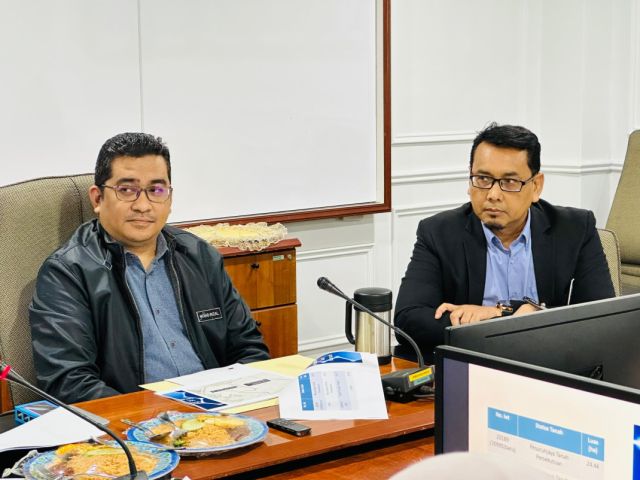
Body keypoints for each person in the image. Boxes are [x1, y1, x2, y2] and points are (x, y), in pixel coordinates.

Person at [29, 132, 269, 403]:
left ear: (169, 198)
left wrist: (241, 407)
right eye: (126, 190)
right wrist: (155, 419)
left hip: (220, 415)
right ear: (97, 199)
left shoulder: (200, 256)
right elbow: (70, 383)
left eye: (156, 190)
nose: (143, 206)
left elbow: (249, 349)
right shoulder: (67, 273)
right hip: (136, 423)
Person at [394, 123, 615, 361]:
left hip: (550, 366)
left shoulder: (574, 229)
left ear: (536, 186)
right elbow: (408, 320)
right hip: (473, 367)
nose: (493, 194)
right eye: (483, 179)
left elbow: (602, 319)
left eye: (509, 182)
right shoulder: (438, 233)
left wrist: (497, 315)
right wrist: (507, 316)